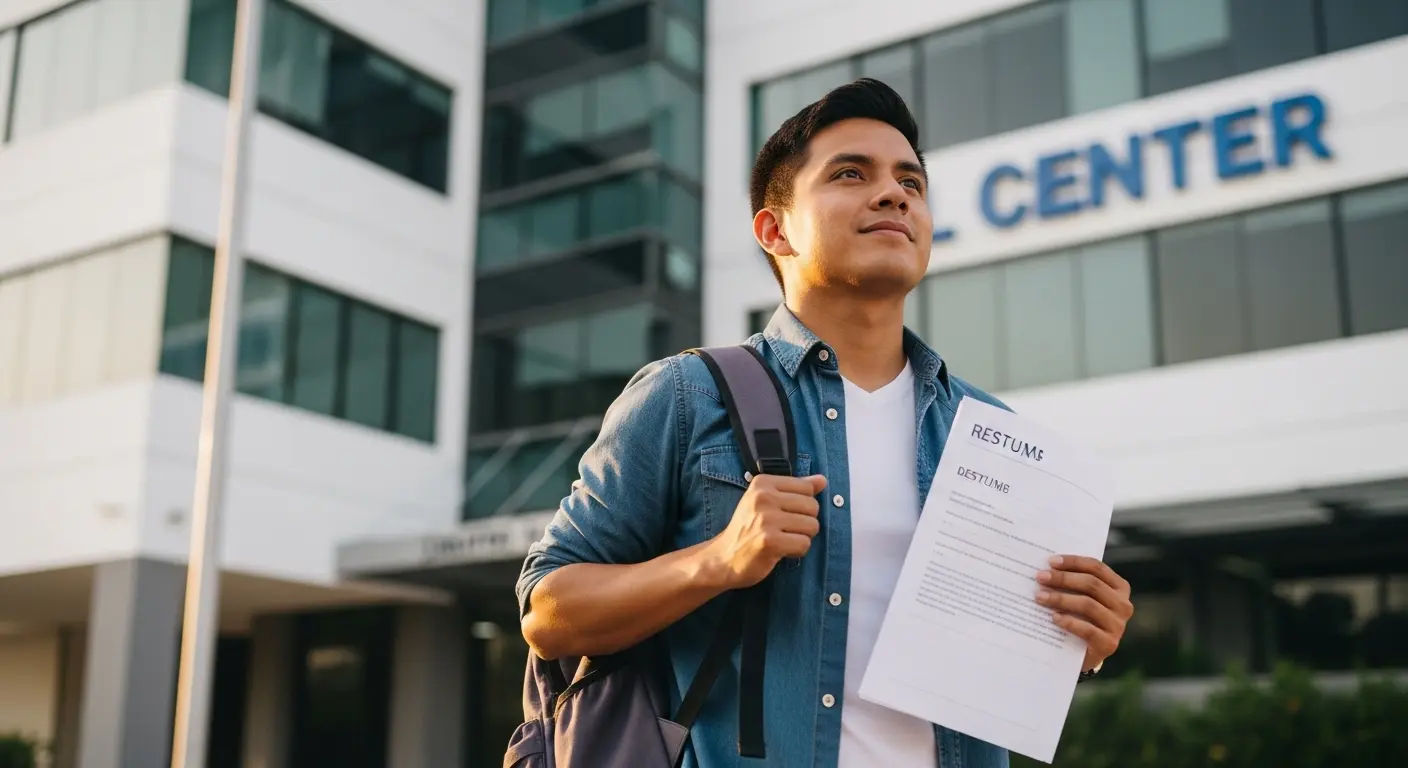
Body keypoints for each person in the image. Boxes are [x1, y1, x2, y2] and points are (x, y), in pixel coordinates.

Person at [515, 78, 1134, 768]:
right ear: (775, 229)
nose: (895, 194)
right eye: (850, 174)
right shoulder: (688, 395)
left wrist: (1075, 640)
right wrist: (716, 562)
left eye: (911, 182)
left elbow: (1000, 670)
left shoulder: (989, 431)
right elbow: (548, 612)